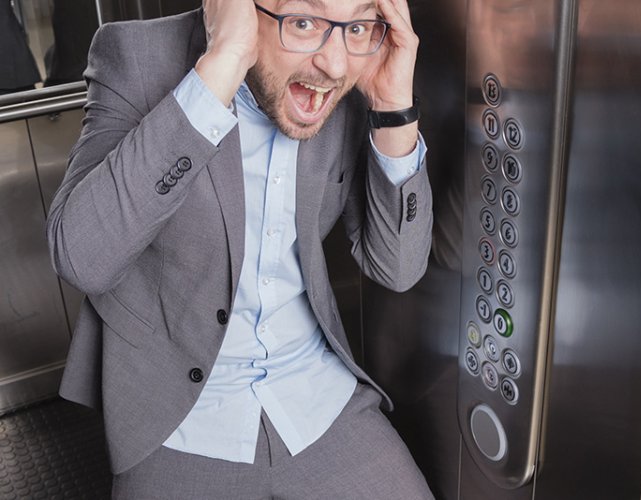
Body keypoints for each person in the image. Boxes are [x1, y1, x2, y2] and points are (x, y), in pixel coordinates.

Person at [46, 0, 433, 498]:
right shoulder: (137, 55)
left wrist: (393, 106)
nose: (334, 65)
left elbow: (397, 267)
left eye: (357, 25)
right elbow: (81, 258)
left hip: (316, 397)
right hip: (176, 415)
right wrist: (221, 66)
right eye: (303, 22)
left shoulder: (356, 71)